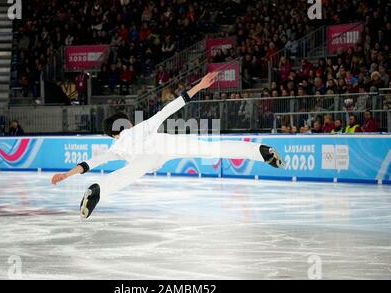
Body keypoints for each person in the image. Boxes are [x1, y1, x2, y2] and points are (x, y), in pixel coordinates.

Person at [51, 73, 285, 219]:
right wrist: (199, 86)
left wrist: (66, 174)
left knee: (128, 173)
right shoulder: (141, 127)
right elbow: (170, 108)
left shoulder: (115, 148)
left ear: (113, 135)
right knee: (211, 148)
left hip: (145, 159)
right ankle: (260, 152)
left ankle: (98, 190)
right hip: (165, 144)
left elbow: (89, 163)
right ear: (125, 124)